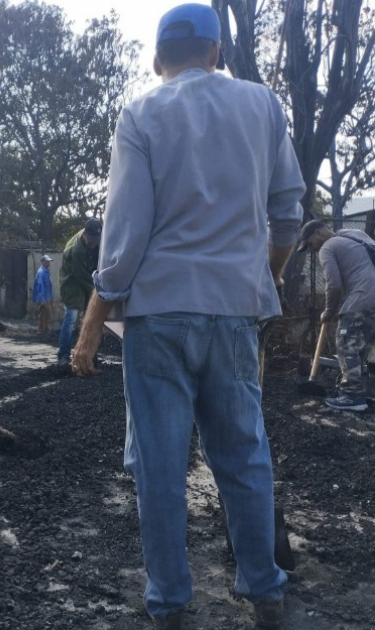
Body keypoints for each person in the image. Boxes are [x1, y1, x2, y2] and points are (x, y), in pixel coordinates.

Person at [71, 5, 304, 629]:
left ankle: (171, 606)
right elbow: (287, 216)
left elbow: (123, 236)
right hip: (233, 311)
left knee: (160, 464)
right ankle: (266, 593)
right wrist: (268, 276)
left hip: (159, 315)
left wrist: (93, 321)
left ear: (156, 61)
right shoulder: (262, 107)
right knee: (244, 456)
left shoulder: (142, 114)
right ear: (216, 53)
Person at [296, 220, 375, 411]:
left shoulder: (328, 247)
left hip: (364, 298)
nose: (312, 250)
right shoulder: (354, 235)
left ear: (317, 233)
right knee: (363, 348)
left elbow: (333, 285)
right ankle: (367, 393)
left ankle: (351, 396)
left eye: (310, 244)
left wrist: (329, 312)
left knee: (346, 342)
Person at [57, 218, 102, 367]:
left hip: (88, 280)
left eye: (96, 239)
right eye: (91, 239)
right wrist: (98, 294)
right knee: (71, 319)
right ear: (85, 234)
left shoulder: (98, 242)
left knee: (91, 320)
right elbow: (80, 276)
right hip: (72, 283)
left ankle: (91, 355)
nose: (93, 242)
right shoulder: (75, 250)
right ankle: (63, 356)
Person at [33, 254, 53, 334]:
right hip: (43, 298)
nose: (48, 263)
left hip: (47, 297)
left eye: (49, 262)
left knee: (47, 314)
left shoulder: (46, 271)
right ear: (43, 262)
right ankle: (41, 330)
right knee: (43, 314)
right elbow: (40, 287)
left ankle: (45, 330)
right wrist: (42, 299)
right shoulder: (41, 272)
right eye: (47, 262)